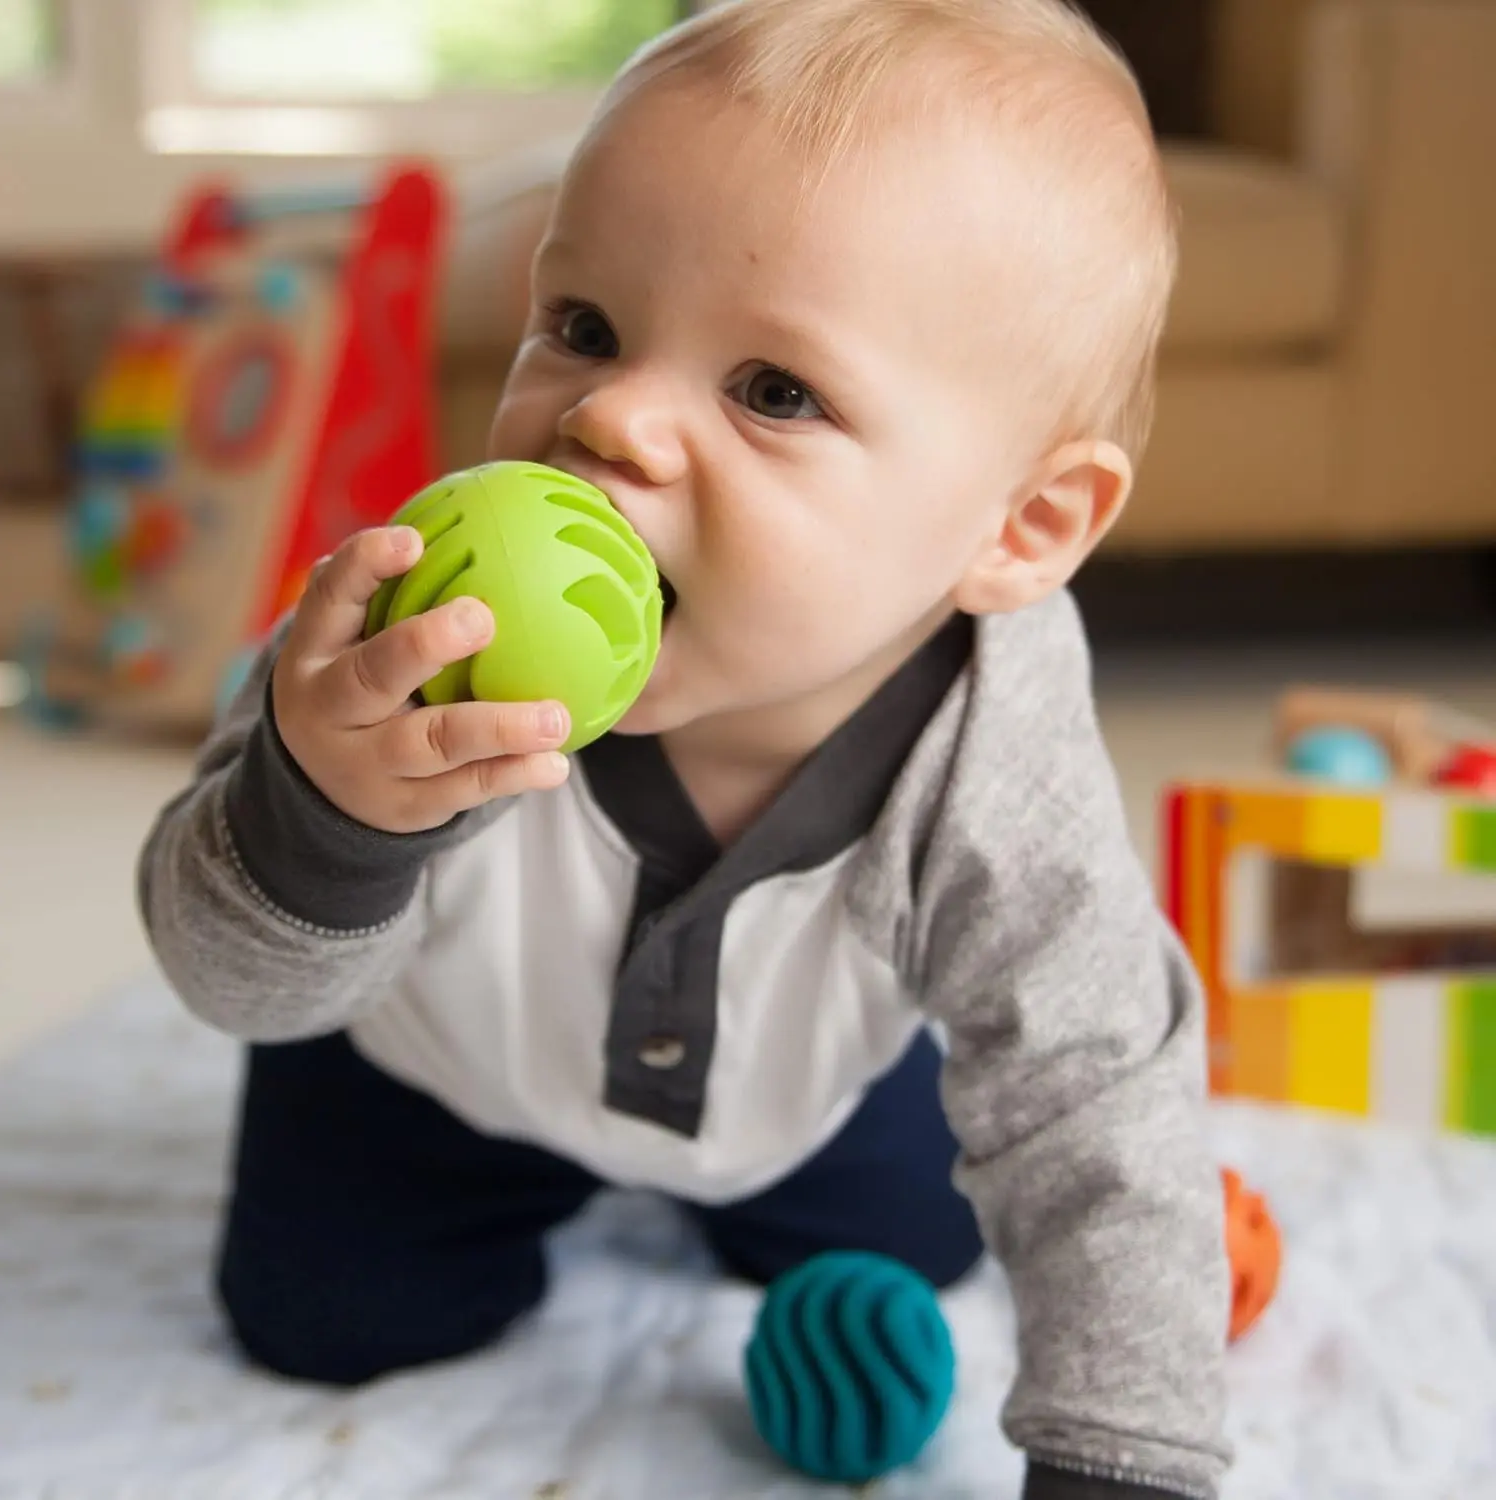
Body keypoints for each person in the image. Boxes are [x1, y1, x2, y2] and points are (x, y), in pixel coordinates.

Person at [137, 1, 1231, 1495]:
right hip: (427, 1063)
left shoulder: (995, 764)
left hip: (789, 1103)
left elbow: (1099, 1107)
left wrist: (1124, 1455)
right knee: (319, 1325)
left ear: (1015, 528)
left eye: (775, 390)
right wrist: (330, 818)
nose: (610, 420)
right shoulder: (396, 641)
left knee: (938, 1234)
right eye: (583, 326)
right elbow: (225, 982)